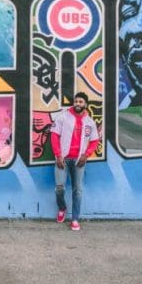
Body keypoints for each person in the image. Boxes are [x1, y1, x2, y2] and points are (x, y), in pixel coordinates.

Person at [50, 92, 99, 231]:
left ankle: (75, 219)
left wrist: (86, 155)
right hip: (63, 159)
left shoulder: (90, 122)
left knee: (77, 190)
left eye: (81, 102)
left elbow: (95, 140)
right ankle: (62, 208)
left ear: (85, 104)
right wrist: (58, 155)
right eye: (76, 101)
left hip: (79, 161)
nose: (78, 103)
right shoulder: (63, 117)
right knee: (59, 187)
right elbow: (54, 136)